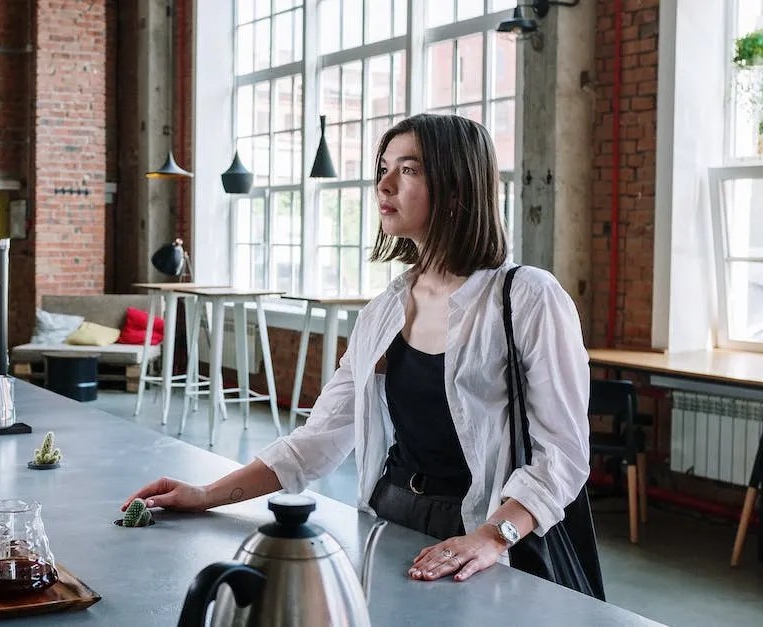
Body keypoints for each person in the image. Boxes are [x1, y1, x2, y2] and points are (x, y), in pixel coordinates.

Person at [125, 113, 590, 585]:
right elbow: (318, 439)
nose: (384, 185)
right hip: (392, 518)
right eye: (383, 168)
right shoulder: (385, 310)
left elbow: (563, 455)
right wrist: (206, 495)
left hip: (490, 534)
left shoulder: (528, 297)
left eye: (408, 170)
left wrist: (492, 536)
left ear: (457, 188)